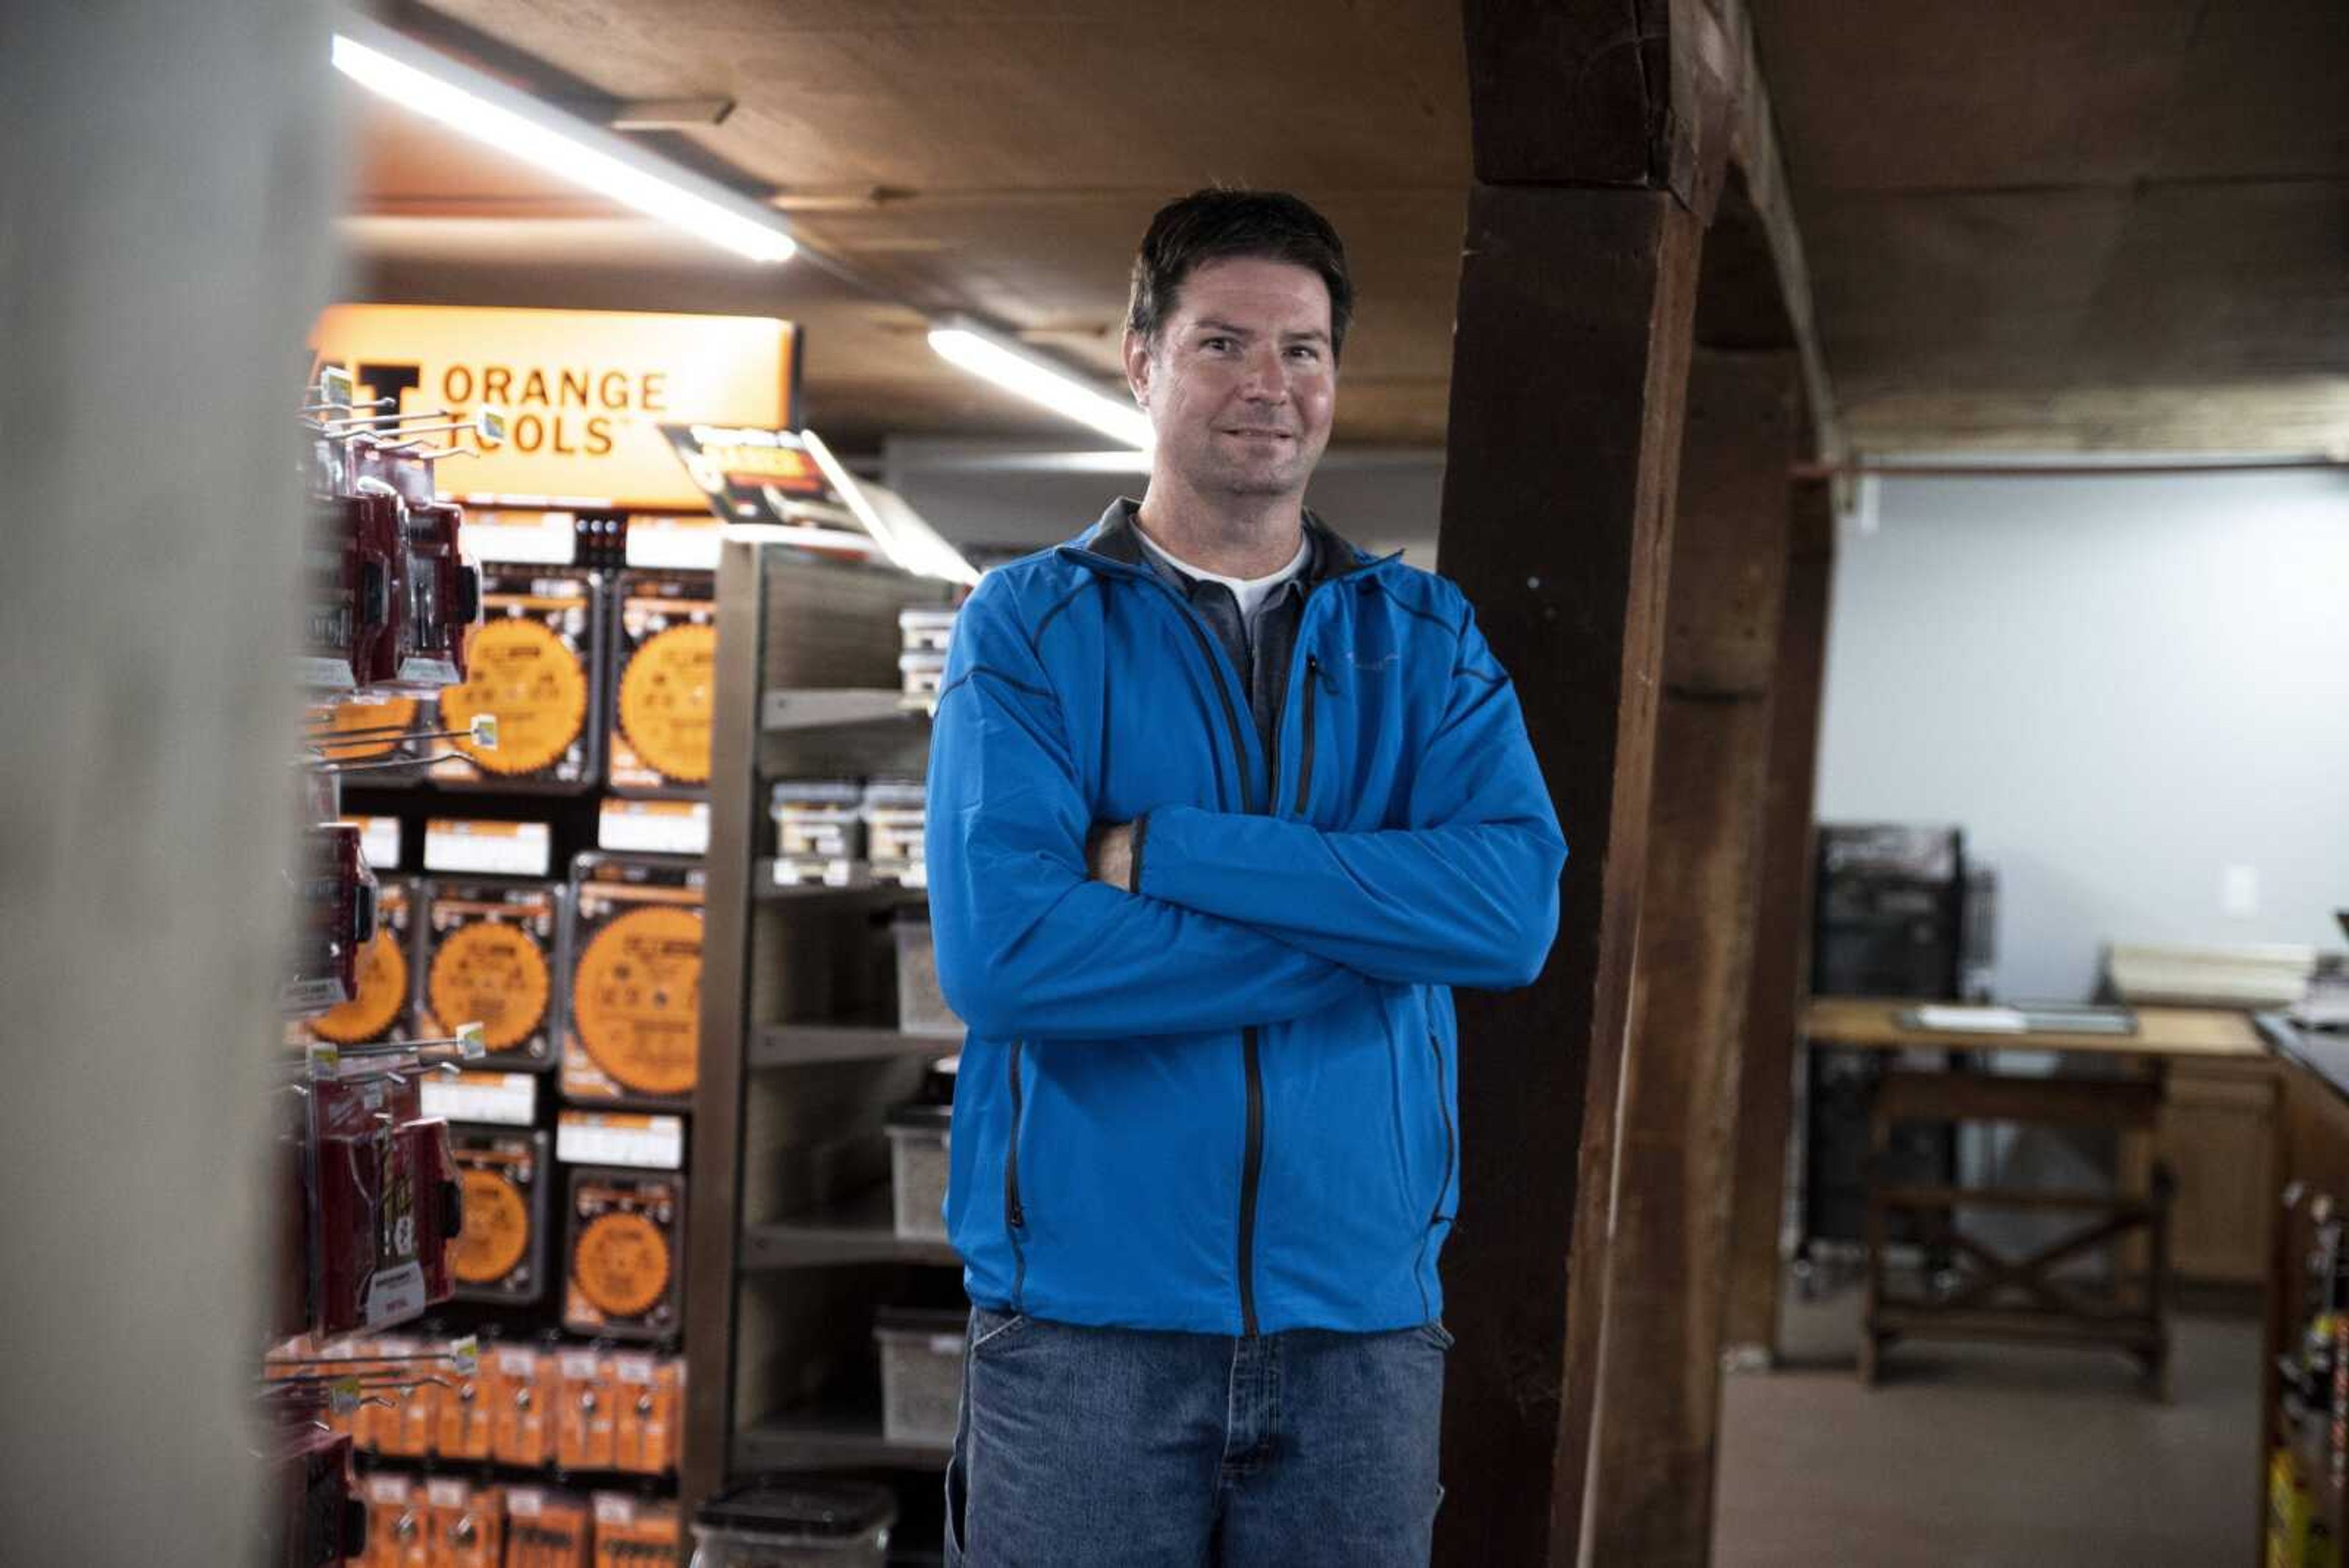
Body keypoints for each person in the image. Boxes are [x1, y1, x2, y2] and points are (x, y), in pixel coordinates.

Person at [925, 187, 1567, 1567]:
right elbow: (1010, 956)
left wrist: (1174, 853)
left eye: (1305, 349)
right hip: (1086, 1329)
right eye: (1224, 344)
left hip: (1361, 1332)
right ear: (1142, 359)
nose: (1270, 385)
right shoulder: (1028, 627)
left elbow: (1509, 914)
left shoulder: (1425, 636)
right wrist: (1383, 930)